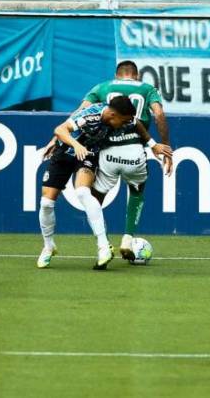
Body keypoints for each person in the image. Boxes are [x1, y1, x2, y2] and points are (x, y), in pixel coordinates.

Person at [37, 95, 172, 270]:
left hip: (88, 155)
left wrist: (153, 144)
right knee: (46, 203)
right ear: (113, 116)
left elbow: (136, 124)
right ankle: (48, 247)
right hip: (66, 153)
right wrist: (74, 145)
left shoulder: (122, 119)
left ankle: (103, 246)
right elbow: (60, 129)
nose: (124, 125)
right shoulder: (90, 116)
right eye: (122, 121)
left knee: (83, 192)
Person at [80, 60, 172, 260]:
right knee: (137, 190)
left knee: (95, 199)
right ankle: (127, 238)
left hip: (108, 153)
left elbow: (81, 113)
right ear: (136, 75)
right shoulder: (148, 89)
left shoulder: (102, 87)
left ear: (117, 75)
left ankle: (102, 244)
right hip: (135, 151)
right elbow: (159, 115)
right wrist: (163, 144)